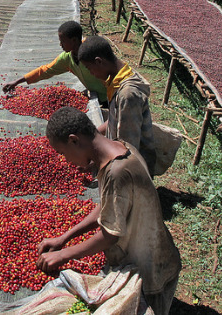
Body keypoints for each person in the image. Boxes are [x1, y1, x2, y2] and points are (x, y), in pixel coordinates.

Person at [38, 106, 181, 315]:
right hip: (146, 259)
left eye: (63, 153)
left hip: (150, 271)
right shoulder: (120, 148)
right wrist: (64, 238)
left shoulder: (117, 173)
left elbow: (110, 235)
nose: (66, 160)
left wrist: (64, 255)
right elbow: (107, 206)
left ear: (74, 140)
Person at [77, 35, 156, 173]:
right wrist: (92, 135)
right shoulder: (117, 79)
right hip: (121, 157)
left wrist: (98, 162)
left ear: (99, 61)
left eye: (89, 68)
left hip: (133, 168)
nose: (91, 74)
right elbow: (118, 118)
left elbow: (128, 146)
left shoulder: (127, 95)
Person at [2, 21, 108, 106]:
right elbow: (45, 71)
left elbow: (112, 71)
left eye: (63, 41)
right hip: (97, 97)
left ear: (74, 40)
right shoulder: (67, 58)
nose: (60, 45)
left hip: (111, 95)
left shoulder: (93, 51)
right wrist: (17, 82)